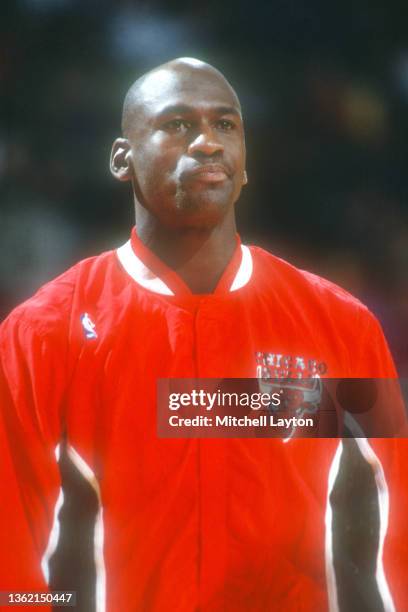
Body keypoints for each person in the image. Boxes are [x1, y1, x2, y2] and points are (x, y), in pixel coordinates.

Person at [0, 57, 407, 612]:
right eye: (177, 124)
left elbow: (395, 530)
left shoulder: (340, 324)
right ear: (123, 159)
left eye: (225, 125)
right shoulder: (41, 333)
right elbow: (11, 560)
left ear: (245, 167)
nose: (208, 143)